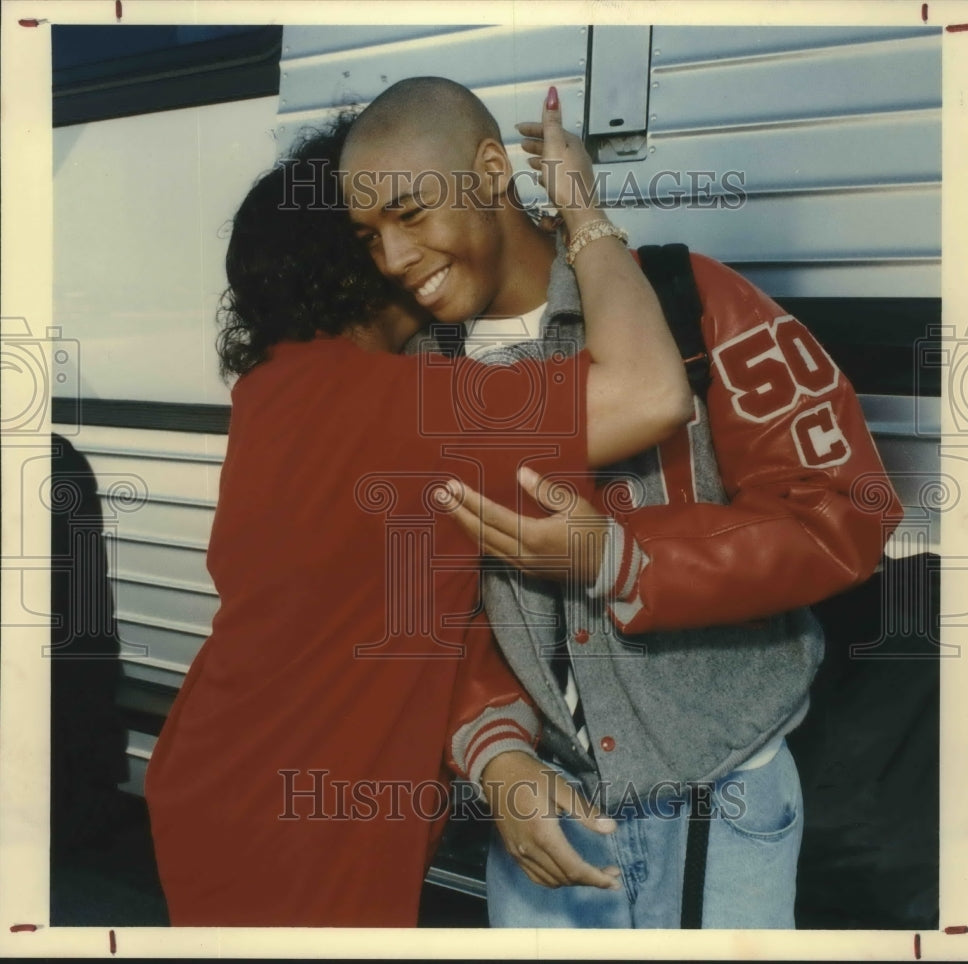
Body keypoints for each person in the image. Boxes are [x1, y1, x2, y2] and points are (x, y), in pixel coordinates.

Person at [341, 76, 904, 928]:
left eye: (412, 214)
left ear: (492, 170)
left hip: (726, 799)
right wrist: (492, 759)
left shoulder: (687, 300)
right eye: (369, 235)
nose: (393, 259)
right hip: (544, 824)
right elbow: (426, 609)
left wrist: (626, 559)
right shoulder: (415, 379)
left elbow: (845, 507)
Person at [142, 102, 693, 927]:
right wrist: (580, 207)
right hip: (307, 832)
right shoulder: (398, 408)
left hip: (216, 779)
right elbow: (652, 393)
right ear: (358, 262)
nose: (404, 248)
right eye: (376, 229)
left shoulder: (275, 389)